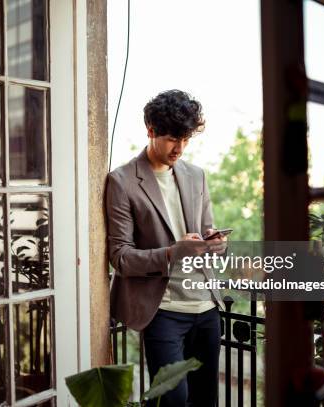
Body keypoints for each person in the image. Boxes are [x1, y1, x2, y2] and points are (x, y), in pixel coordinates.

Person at [106, 90, 225, 406]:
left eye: (185, 139)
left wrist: (214, 242)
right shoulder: (122, 181)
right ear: (150, 129)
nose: (180, 148)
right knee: (173, 400)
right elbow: (121, 256)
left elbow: (206, 230)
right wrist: (173, 253)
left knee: (205, 400)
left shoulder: (196, 175)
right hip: (164, 312)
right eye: (173, 139)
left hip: (207, 308)